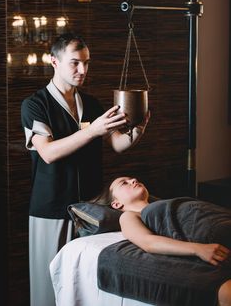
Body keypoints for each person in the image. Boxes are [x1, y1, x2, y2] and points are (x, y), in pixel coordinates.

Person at [21, 33, 149, 306]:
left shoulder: (91, 104)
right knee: (48, 289)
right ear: (53, 61)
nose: (83, 70)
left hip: (90, 208)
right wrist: (92, 131)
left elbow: (117, 144)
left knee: (82, 285)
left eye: (87, 63)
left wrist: (137, 129)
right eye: (75, 63)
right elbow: (48, 153)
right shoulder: (35, 104)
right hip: (51, 208)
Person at [98, 176, 231, 306]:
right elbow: (148, 242)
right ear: (116, 203)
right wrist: (198, 249)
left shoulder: (169, 203)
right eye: (124, 183)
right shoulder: (129, 216)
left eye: (133, 179)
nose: (133, 180)